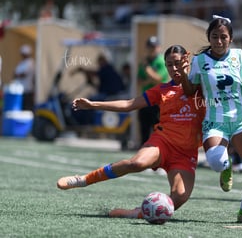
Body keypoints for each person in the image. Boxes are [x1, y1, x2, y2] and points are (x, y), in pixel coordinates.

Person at [56, 45, 205, 219]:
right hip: (163, 141)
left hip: (186, 153)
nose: (174, 69)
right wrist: (93, 104)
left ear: (187, 62)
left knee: (179, 197)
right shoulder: (162, 89)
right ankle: (84, 179)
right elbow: (129, 104)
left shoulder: (202, 88)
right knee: (137, 163)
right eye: (169, 65)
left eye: (178, 63)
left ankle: (138, 213)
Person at [179, 15, 242, 225]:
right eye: (215, 36)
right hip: (215, 121)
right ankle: (226, 167)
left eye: (223, 37)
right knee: (217, 163)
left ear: (231, 38)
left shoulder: (239, 56)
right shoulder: (199, 61)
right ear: (209, 37)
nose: (219, 41)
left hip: (241, 121)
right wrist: (183, 74)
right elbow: (190, 92)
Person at [137, 36, 169, 145]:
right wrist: (150, 78)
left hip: (158, 101)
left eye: (154, 47)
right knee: (144, 129)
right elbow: (139, 81)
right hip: (145, 99)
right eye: (150, 47)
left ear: (159, 47)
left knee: (157, 129)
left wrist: (147, 69)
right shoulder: (144, 62)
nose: (152, 49)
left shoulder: (160, 61)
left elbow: (158, 79)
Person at [14, 44, 35, 110]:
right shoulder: (22, 63)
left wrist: (18, 75)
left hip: (27, 90)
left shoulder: (30, 62)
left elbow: (23, 74)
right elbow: (15, 74)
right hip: (20, 90)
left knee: (27, 108)